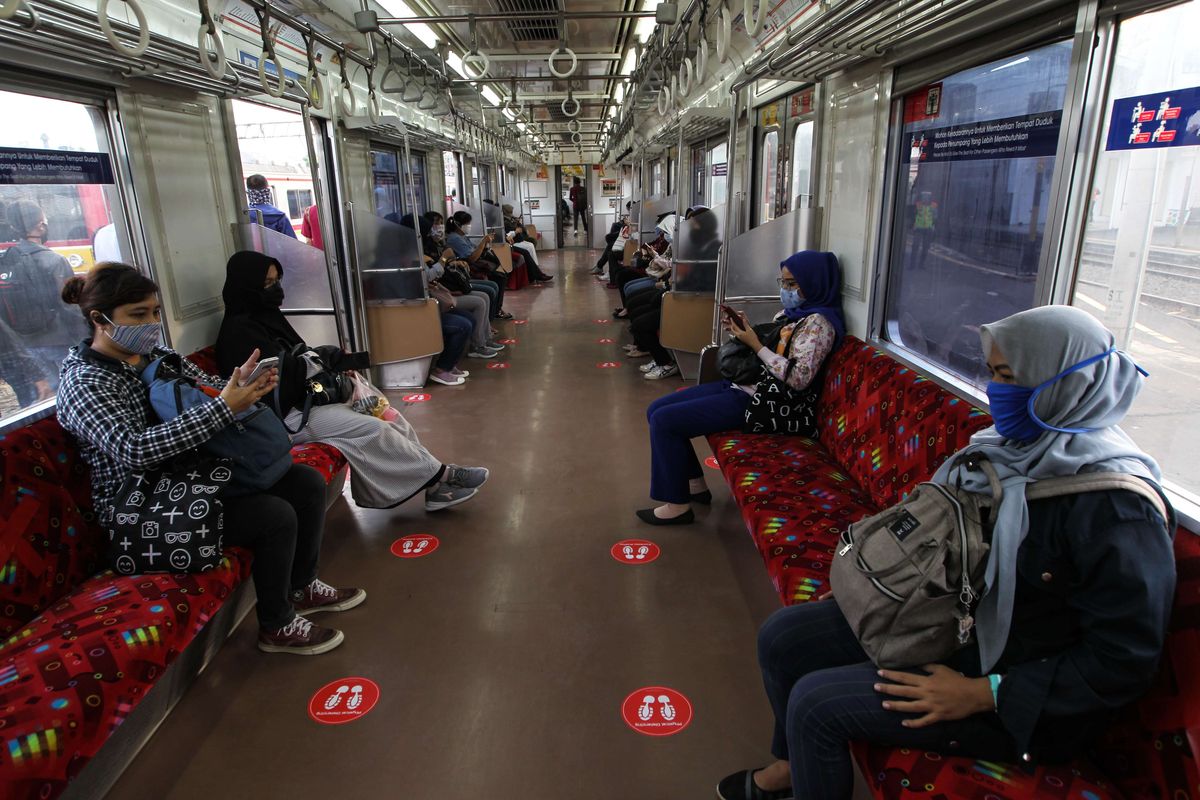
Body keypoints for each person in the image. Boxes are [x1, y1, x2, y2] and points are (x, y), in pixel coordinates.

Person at [717, 305, 1175, 800]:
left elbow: (1121, 660)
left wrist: (984, 693)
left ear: (1061, 384)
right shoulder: (1007, 450)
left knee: (816, 703)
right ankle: (792, 769)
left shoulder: (1117, 510)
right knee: (784, 638)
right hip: (949, 622)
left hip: (1015, 692)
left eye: (1006, 376)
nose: (995, 390)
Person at [56, 263, 364, 655]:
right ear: (99, 319)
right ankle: (277, 625)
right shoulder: (85, 383)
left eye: (154, 312)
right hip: (143, 507)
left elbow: (209, 388)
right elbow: (134, 450)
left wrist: (245, 386)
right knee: (273, 516)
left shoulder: (154, 354)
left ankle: (301, 586)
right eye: (138, 315)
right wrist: (222, 409)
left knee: (303, 483)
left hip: (191, 476)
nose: (151, 324)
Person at [215, 250, 489, 510]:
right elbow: (275, 380)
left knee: (386, 414)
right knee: (374, 428)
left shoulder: (269, 318)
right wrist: (319, 363)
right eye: (267, 283)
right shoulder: (239, 334)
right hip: (287, 416)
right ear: (247, 287)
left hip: (310, 399)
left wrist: (328, 368)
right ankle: (442, 475)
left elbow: (299, 360)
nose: (275, 289)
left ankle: (434, 487)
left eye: (277, 281)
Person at [638, 251, 845, 526]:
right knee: (656, 409)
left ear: (815, 282)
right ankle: (694, 486)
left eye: (793, 284)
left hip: (767, 404)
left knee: (665, 421)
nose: (786, 291)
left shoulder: (820, 324)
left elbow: (798, 379)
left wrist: (755, 344)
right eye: (783, 283)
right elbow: (774, 349)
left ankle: (677, 505)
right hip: (749, 387)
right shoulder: (792, 315)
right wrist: (745, 332)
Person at [0, 200, 88, 398]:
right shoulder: (54, 261)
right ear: (40, 226)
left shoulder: (6, 260)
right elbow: (70, 306)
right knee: (73, 392)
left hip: (27, 343)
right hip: (59, 340)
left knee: (48, 397)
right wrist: (86, 340)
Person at [446, 212, 512, 320]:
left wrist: (485, 246)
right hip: (467, 267)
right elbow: (472, 258)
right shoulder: (455, 239)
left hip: (473, 264)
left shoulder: (462, 236)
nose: (469, 226)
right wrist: (483, 242)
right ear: (458, 224)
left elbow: (474, 250)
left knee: (501, 276)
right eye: (467, 224)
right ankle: (496, 311)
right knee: (499, 278)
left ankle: (496, 309)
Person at [246, 175, 297, 239]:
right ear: (267, 191)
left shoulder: (244, 215)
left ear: (248, 193)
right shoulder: (280, 216)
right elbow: (292, 243)